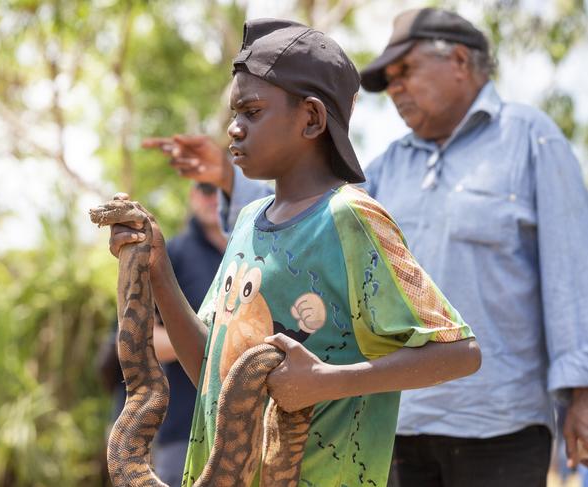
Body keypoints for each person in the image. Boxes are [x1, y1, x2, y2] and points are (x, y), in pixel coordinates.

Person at [148, 8, 588, 487]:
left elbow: (571, 271)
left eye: (405, 71)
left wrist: (581, 392)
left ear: (460, 60)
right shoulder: (390, 163)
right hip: (398, 422)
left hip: (497, 419)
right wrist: (219, 187)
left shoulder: (529, 139)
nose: (394, 88)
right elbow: (304, 223)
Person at [110, 18, 481, 487]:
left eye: (252, 111)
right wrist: (158, 270)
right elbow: (212, 368)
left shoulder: (353, 217)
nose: (234, 128)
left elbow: (461, 352)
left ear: (310, 118)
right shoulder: (248, 221)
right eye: (235, 113)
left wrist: (326, 381)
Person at [98, 182, 226, 486]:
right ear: (193, 196)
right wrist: (219, 344)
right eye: (206, 189)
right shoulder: (175, 251)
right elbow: (136, 338)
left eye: (223, 188)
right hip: (180, 428)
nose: (214, 197)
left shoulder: (250, 247)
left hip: (242, 428)